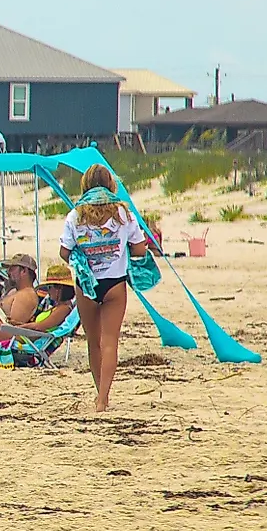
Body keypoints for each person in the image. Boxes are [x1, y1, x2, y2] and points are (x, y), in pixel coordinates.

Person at [61, 164, 155, 412]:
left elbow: (64, 253)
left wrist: (88, 252)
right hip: (114, 283)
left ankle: (99, 393)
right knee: (110, 340)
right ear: (111, 184)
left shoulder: (75, 215)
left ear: (85, 185)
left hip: (87, 285)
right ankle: (103, 397)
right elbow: (140, 249)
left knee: (93, 341)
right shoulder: (124, 214)